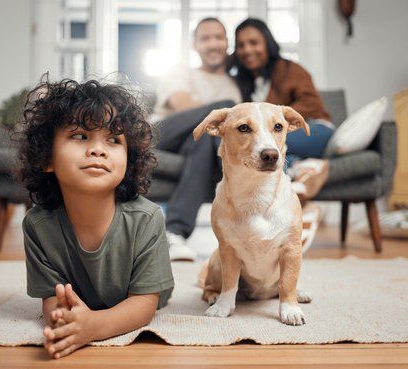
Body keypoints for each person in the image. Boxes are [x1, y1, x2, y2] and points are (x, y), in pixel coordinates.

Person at [18, 78, 174, 359]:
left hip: (140, 296)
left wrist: (94, 326)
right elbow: (52, 299)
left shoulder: (147, 218)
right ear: (47, 158)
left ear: (128, 161)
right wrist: (65, 322)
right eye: (80, 136)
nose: (98, 149)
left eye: (114, 140)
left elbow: (145, 304)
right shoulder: (38, 225)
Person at [152, 17, 242, 261]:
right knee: (227, 108)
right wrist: (223, 113)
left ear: (227, 43)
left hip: (197, 143)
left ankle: (175, 233)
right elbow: (180, 103)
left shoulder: (233, 85)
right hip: (159, 136)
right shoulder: (182, 71)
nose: (213, 44)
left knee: (204, 141)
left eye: (218, 37)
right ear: (195, 45)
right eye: (205, 38)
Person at [230, 18, 335, 201]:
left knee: (263, 145)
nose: (247, 50)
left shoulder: (290, 69)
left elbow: (312, 104)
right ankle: (302, 170)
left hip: (315, 129)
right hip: (277, 137)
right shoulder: (242, 82)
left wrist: (276, 118)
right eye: (241, 45)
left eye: (254, 43)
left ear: (267, 44)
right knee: (269, 152)